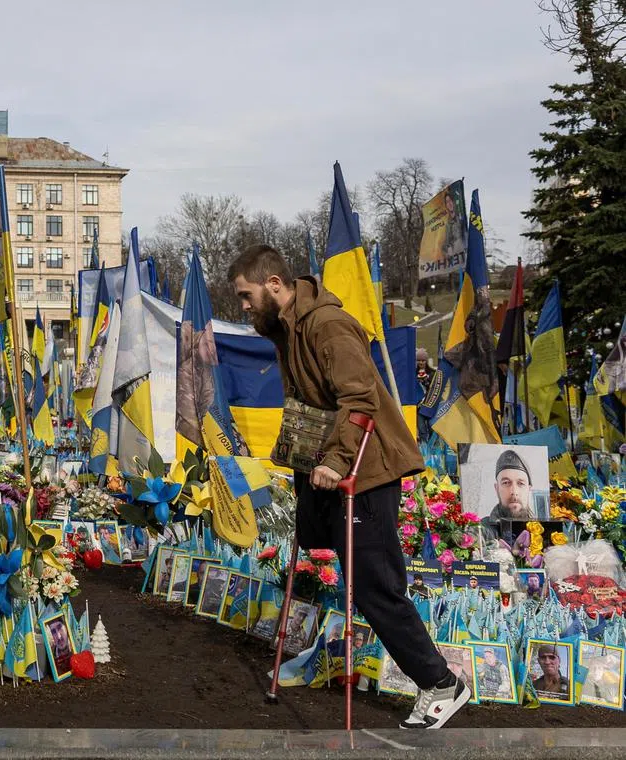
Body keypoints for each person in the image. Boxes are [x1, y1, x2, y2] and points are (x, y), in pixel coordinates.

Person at [228, 245, 469, 729]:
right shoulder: (288, 329)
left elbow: (358, 398)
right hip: (325, 465)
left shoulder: (327, 326)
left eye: (246, 296)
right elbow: (305, 401)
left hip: (367, 468)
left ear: (274, 284)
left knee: (374, 584)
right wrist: (292, 454)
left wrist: (336, 462)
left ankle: (441, 683)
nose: (245, 306)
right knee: (315, 538)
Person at [481, 449, 534, 539]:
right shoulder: (481, 530)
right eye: (506, 483)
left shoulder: (542, 527)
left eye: (520, 483)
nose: (514, 492)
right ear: (497, 488)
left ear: (529, 489)